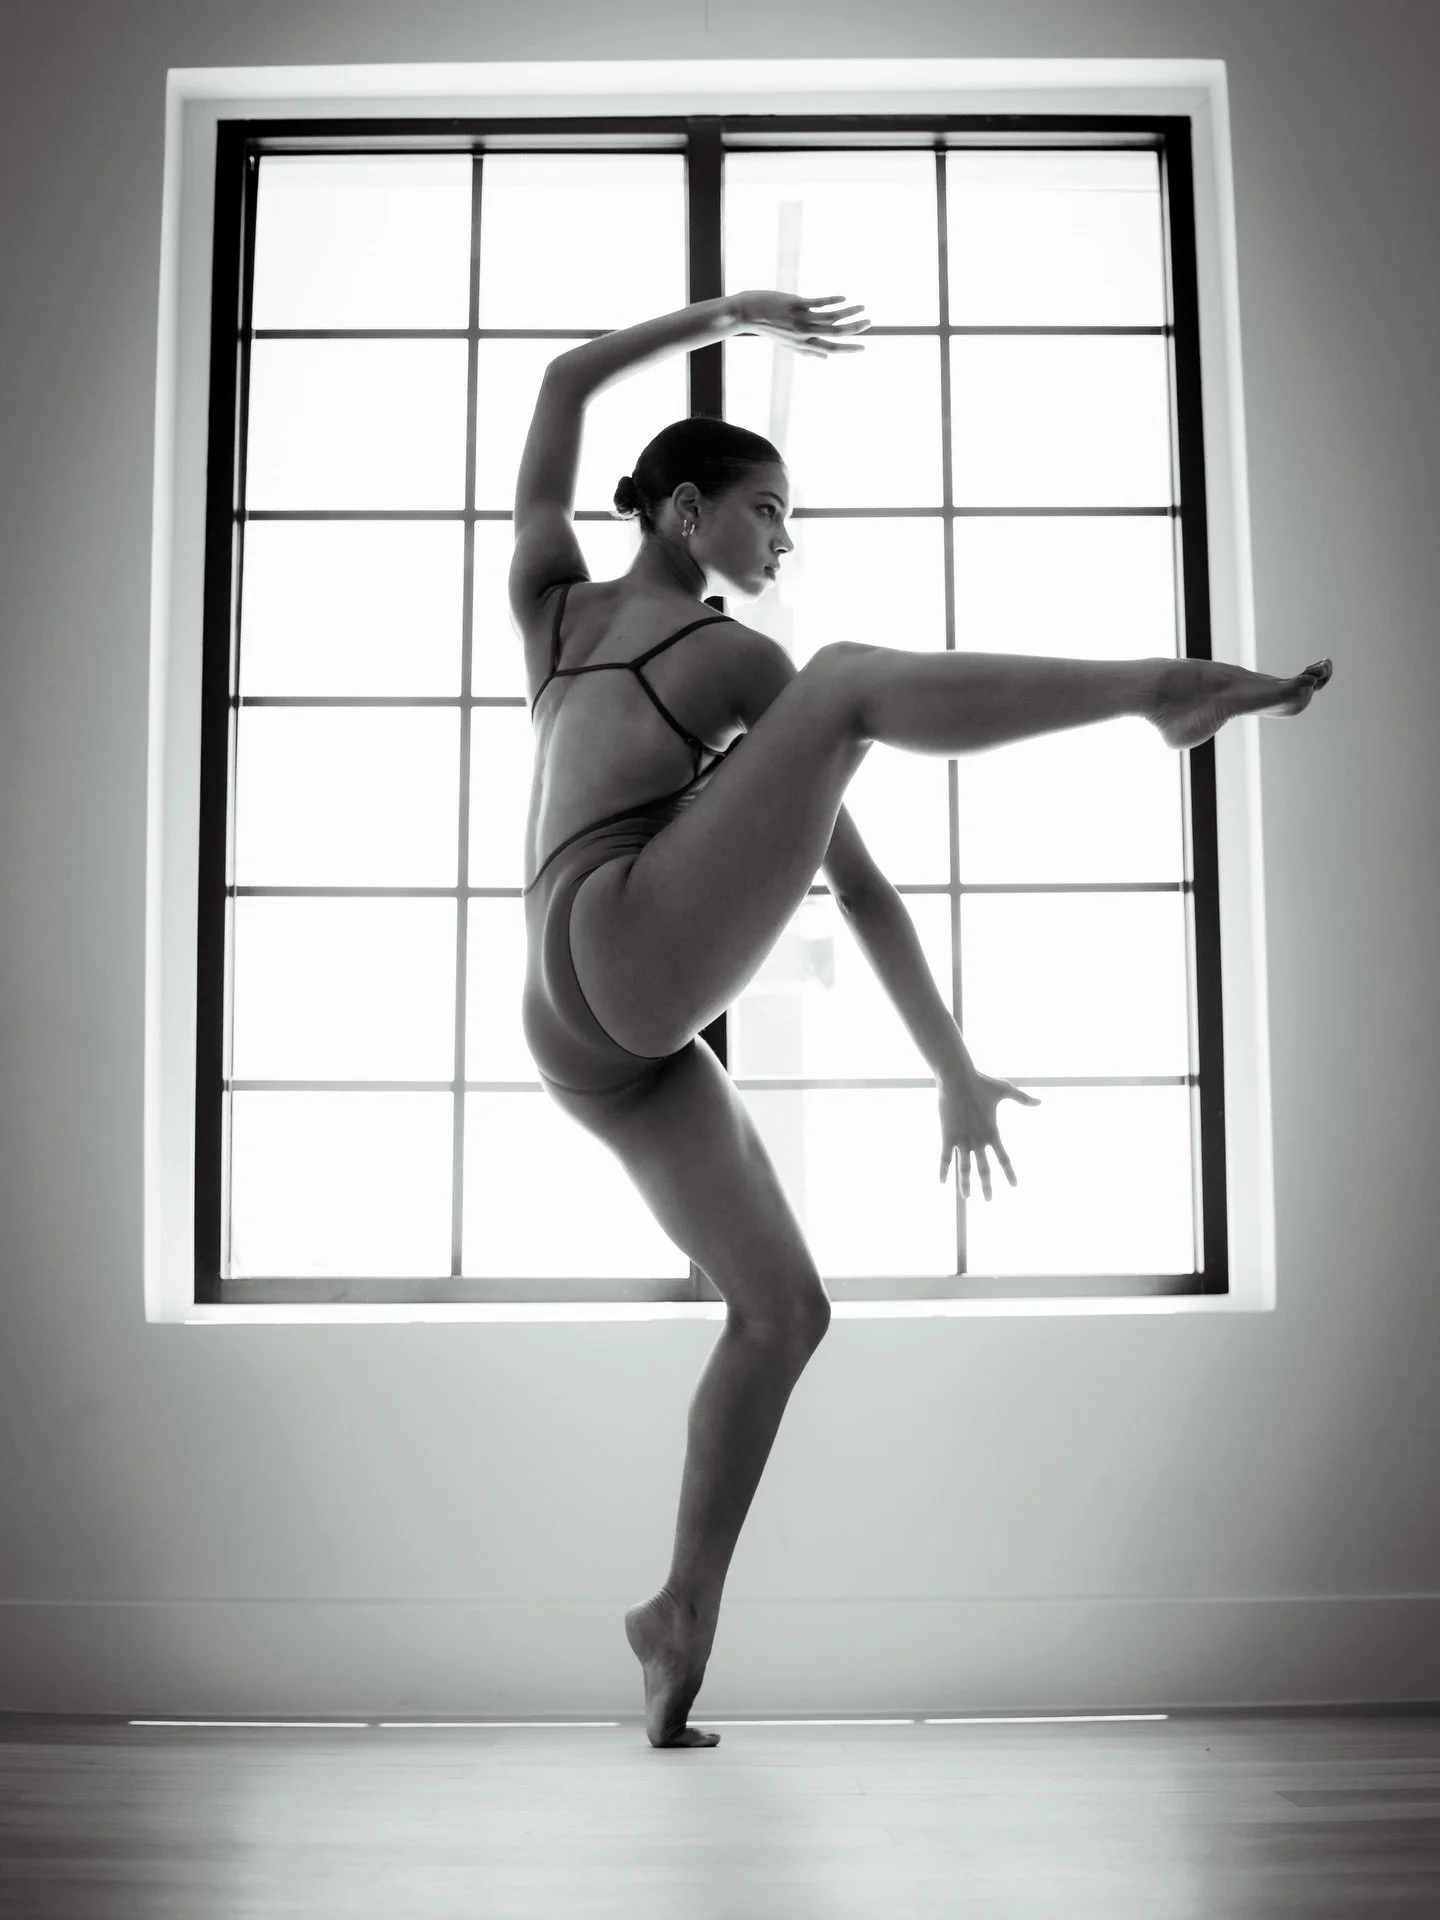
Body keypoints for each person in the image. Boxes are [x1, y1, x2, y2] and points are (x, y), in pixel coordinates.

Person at [509, 289, 1333, 1749]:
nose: (780, 544)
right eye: (766, 512)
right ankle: (1155, 691)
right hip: (621, 951)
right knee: (846, 684)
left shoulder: (557, 616)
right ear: (685, 512)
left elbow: (858, 887)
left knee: (785, 1311)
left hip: (584, 1027)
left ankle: (677, 1614)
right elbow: (571, 377)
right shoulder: (705, 651)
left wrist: (952, 1070)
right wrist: (736, 311)